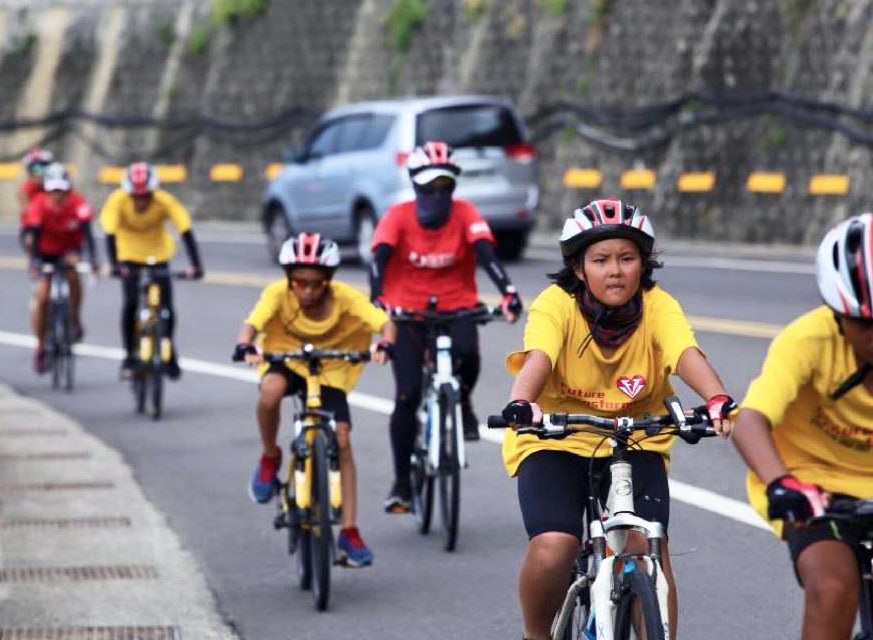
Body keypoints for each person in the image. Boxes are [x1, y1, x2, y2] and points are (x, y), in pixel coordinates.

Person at [498, 199, 735, 640]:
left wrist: (717, 399)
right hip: (557, 438)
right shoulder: (556, 305)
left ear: (643, 264)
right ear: (578, 267)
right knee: (555, 546)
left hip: (634, 439)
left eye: (627, 258)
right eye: (601, 260)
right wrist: (522, 403)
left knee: (646, 552)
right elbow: (540, 357)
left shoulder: (658, 305)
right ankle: (536, 634)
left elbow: (684, 352)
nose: (615, 270)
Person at [733, 213, 873, 640]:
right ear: (837, 314)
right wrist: (782, 483)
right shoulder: (807, 341)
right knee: (833, 589)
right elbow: (750, 421)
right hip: (813, 489)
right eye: (866, 325)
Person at [369, 140, 523, 514]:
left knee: (468, 355)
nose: (437, 195)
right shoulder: (397, 216)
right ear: (414, 186)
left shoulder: (466, 212)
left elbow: (487, 254)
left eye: (445, 187)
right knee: (406, 395)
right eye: (428, 188)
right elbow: (378, 258)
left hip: (458, 308)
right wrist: (378, 298)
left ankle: (464, 401)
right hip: (407, 313)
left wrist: (508, 292)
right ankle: (403, 483)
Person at [233, 232, 396, 567]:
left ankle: (349, 531)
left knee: (343, 439)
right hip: (287, 359)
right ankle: (269, 457)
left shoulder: (345, 297)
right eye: (299, 283)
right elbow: (251, 325)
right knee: (270, 391)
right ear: (289, 279)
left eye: (315, 284)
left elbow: (384, 323)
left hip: (330, 369)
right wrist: (246, 344)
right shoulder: (278, 294)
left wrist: (385, 344)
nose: (307, 291)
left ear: (329, 280)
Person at [100, 162, 204, 380]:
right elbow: (109, 233)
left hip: (158, 255)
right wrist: (115, 265)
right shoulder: (117, 200)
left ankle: (169, 348)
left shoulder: (164, 201)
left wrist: (196, 264)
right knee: (130, 304)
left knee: (166, 306)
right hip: (128, 255)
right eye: (135, 197)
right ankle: (129, 356)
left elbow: (185, 229)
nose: (140, 202)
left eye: (144, 197)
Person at [25, 163, 98, 374]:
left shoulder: (78, 203)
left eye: (62, 191)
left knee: (74, 277)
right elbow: (35, 234)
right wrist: (35, 263)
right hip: (45, 251)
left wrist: (93, 260)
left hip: (69, 249)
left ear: (68, 189)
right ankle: (40, 347)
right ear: (48, 191)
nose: (58, 196)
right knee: (43, 297)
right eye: (54, 191)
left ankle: (75, 319)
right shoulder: (38, 204)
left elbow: (88, 233)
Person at [18, 147, 54, 251]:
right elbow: (28, 214)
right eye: (35, 170)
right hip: (33, 228)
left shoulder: (55, 188)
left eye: (43, 168)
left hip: (55, 227)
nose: (39, 173)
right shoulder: (25, 190)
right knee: (31, 242)